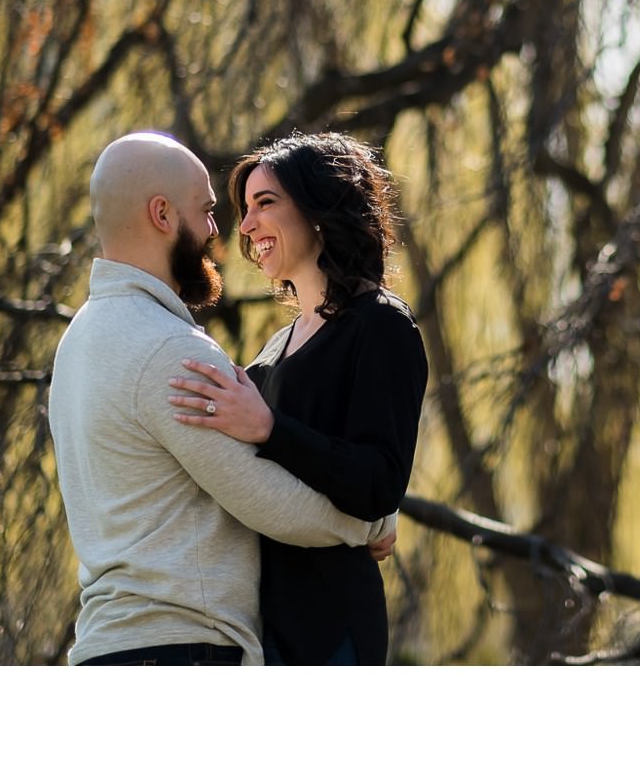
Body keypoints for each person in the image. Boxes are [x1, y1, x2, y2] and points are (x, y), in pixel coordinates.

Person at [48, 131, 394, 667]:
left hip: (107, 649)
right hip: (182, 648)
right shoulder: (169, 350)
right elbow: (269, 502)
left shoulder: (79, 342)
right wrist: (372, 522)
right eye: (206, 211)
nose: (218, 230)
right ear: (162, 214)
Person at [168, 131, 428, 665]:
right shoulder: (276, 346)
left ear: (318, 209)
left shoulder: (381, 326)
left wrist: (269, 429)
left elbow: (378, 481)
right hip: (264, 623)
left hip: (330, 625)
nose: (246, 226)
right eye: (244, 209)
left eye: (265, 203)